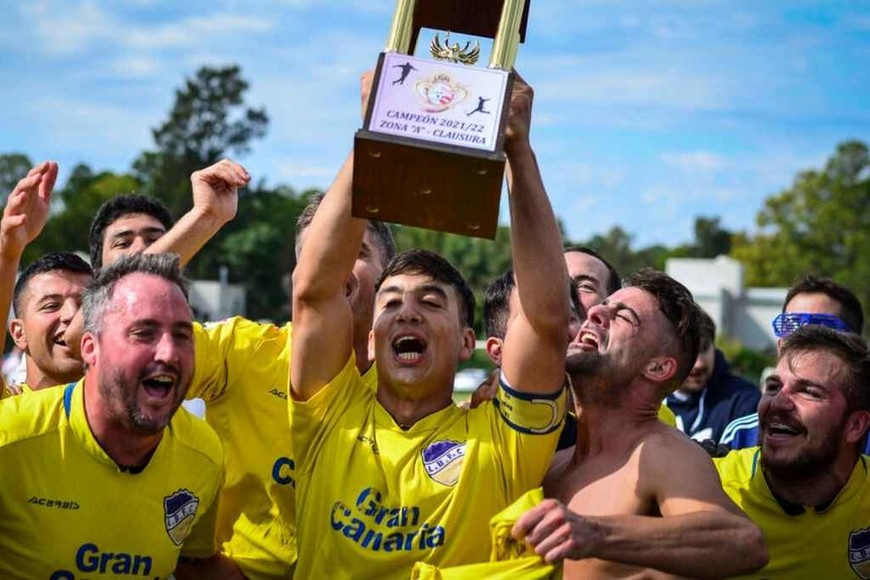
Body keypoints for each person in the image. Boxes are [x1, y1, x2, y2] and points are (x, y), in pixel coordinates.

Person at [289, 73, 571, 577]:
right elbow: (314, 291)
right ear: (372, 333)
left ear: (469, 343)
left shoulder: (502, 440)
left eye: (432, 302)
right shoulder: (328, 411)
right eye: (390, 302)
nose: (407, 312)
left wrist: (518, 153)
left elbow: (547, 322)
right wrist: (375, 131)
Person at [512, 270, 768, 578]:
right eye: (603, 305)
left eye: (623, 317)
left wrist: (596, 534)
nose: (594, 312)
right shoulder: (552, 461)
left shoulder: (659, 454)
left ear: (658, 367)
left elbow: (743, 543)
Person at [0, 253, 227, 577]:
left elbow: (196, 565)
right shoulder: (9, 439)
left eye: (182, 335)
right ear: (90, 348)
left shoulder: (204, 452)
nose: (168, 352)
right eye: (143, 333)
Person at [714, 325, 870, 579]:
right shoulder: (709, 487)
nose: (778, 402)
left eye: (808, 391)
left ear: (855, 425)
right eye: (773, 387)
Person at [720, 275, 867, 453]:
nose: (800, 338)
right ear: (779, 344)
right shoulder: (742, 435)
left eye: (820, 328)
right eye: (790, 325)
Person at [0, 162, 92, 398]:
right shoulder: (7, 409)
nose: (72, 315)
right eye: (51, 305)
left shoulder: (133, 416)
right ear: (19, 333)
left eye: (86, 305)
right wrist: (8, 255)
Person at [666, 309, 760, 442]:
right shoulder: (648, 402)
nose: (698, 363)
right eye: (688, 351)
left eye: (704, 349)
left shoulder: (744, 400)